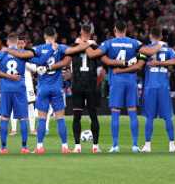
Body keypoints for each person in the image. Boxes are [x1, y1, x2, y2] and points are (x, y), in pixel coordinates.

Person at [50, 24, 102, 153]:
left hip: (77, 85)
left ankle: (77, 146)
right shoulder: (95, 47)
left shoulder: (74, 47)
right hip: (90, 85)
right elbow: (101, 70)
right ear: (91, 33)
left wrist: (66, 73)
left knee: (77, 116)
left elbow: (66, 62)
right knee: (93, 116)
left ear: (80, 32)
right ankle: (95, 146)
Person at [98, 21, 146, 153]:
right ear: (126, 29)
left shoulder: (109, 43)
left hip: (116, 80)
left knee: (115, 113)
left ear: (115, 30)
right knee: (132, 112)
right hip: (131, 80)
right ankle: (135, 145)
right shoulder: (134, 43)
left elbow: (100, 55)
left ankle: (115, 146)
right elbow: (145, 53)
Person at [27, 27, 72, 153]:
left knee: (42, 118)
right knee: (60, 118)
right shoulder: (61, 48)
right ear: (55, 35)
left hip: (43, 88)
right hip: (57, 87)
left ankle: (40, 146)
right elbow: (70, 55)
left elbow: (29, 59)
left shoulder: (38, 48)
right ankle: (64, 147)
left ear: (44, 36)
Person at [0, 33, 36, 154]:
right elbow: (36, 59)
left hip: (5, 88)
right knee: (23, 118)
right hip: (19, 88)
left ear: (7, 42)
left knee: (4, 117)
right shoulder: (21, 53)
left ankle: (3, 148)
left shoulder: (1, 54)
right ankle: (24, 147)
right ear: (17, 42)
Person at [138, 28, 175, 153]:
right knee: (167, 117)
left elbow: (139, 63)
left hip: (150, 86)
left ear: (150, 36)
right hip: (164, 87)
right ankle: (172, 145)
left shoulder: (146, 49)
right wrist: (164, 64)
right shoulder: (169, 49)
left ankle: (147, 145)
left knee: (149, 117)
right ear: (161, 36)